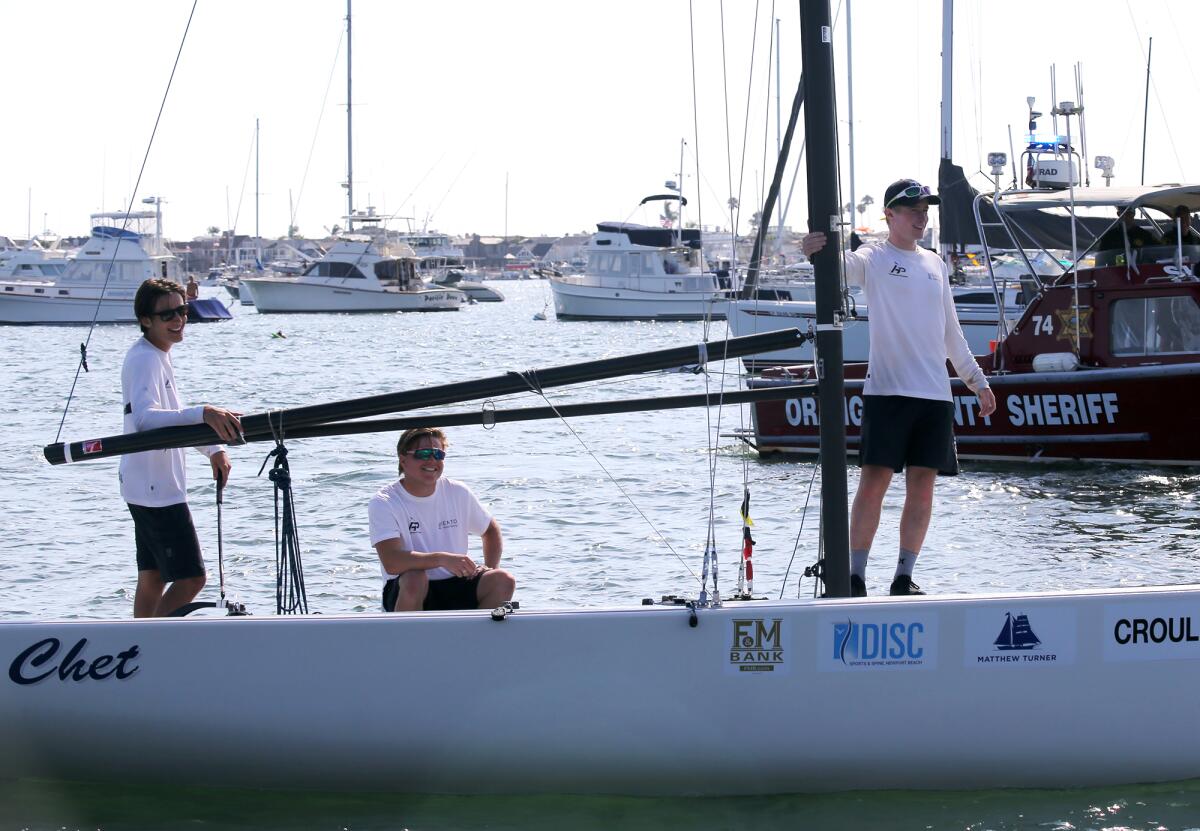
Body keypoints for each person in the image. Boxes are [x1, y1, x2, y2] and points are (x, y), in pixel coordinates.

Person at [801, 178, 997, 597]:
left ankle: (903, 577)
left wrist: (977, 381)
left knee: (923, 486)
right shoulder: (874, 255)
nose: (921, 217)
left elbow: (952, 333)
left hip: (934, 396)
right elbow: (842, 267)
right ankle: (854, 575)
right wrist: (815, 248)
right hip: (887, 392)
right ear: (890, 215)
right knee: (874, 482)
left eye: (925, 210)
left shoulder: (935, 264)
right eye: (912, 210)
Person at [121, 278, 243, 617]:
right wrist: (204, 411)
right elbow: (146, 420)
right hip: (156, 489)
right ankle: (153, 646)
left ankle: (137, 651)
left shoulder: (155, 354)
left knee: (153, 575)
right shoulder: (146, 359)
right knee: (192, 578)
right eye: (168, 315)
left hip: (143, 484)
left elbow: (170, 416)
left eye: (183, 310)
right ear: (146, 320)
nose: (179, 320)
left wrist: (214, 448)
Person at [369, 427, 515, 611]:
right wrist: (442, 559)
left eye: (438, 454)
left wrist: (489, 567)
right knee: (415, 578)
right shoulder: (384, 502)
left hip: (456, 584)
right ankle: (406, 638)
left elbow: (490, 530)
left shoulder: (458, 492)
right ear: (403, 459)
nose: (432, 460)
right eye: (423, 454)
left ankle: (476, 638)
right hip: (409, 587)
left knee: (503, 580)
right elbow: (392, 562)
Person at [1095, 207, 1162, 258]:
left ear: (1134, 214)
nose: (1127, 216)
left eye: (1130, 213)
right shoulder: (1109, 236)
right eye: (1124, 213)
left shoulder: (1145, 235)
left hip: (1141, 270)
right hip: (1115, 272)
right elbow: (1100, 258)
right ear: (1118, 214)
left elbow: (1159, 252)